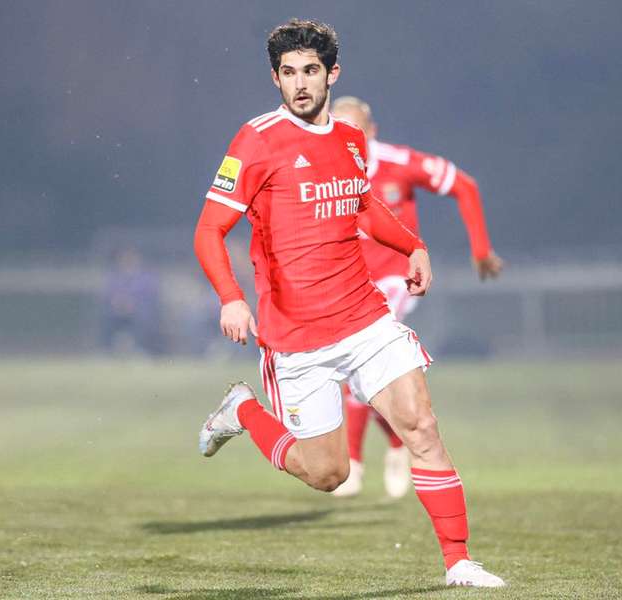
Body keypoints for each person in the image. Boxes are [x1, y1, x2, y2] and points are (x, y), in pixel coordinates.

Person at [192, 19, 505, 588]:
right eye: (287, 74)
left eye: (310, 71)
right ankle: (241, 410)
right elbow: (208, 231)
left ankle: (458, 561)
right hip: (296, 339)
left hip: (364, 319)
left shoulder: (351, 141)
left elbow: (361, 209)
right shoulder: (256, 140)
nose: (299, 84)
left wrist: (413, 245)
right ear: (275, 78)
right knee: (328, 473)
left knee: (422, 426)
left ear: (332, 73)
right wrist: (232, 299)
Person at [330, 96, 503, 498]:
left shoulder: (400, 163)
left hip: (395, 279)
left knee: (358, 355)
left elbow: (465, 185)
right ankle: (395, 444)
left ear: (371, 132)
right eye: (338, 128)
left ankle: (353, 464)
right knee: (353, 371)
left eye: (354, 129)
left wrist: (480, 249)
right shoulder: (321, 169)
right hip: (345, 282)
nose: (346, 137)